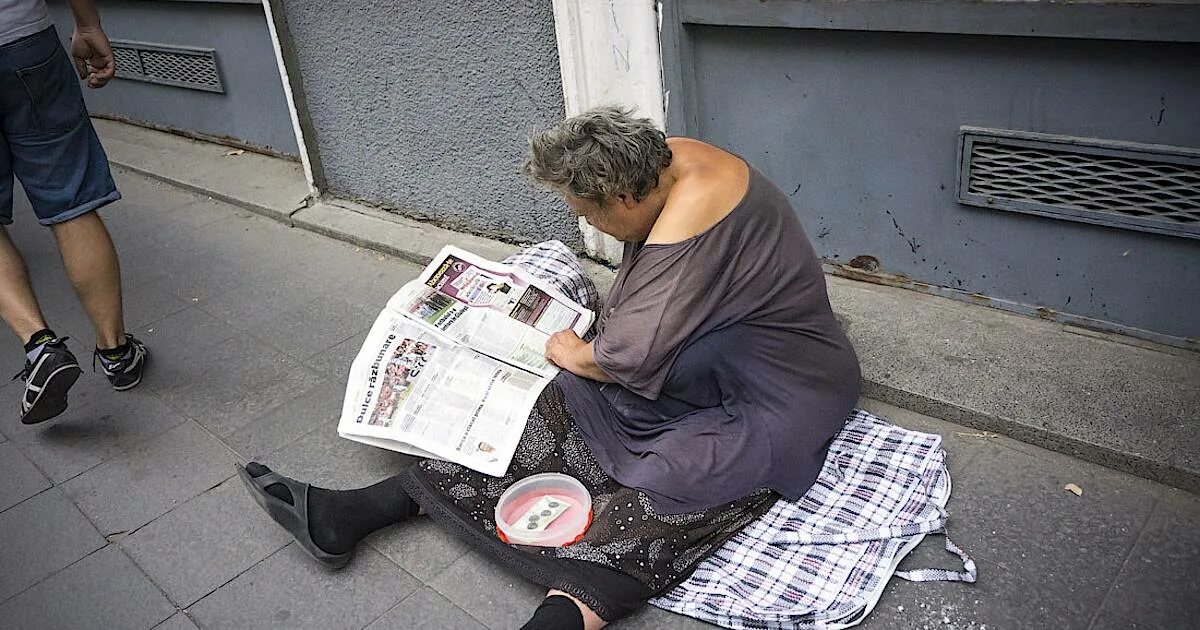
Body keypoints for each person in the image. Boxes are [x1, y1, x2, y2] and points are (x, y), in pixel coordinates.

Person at [238, 107, 860, 629]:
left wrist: (572, 350)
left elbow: (628, 356)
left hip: (778, 390)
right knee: (548, 404)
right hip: (701, 362)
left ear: (623, 194)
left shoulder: (691, 214)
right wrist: (578, 361)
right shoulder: (665, 157)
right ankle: (354, 513)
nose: (587, 225)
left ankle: (564, 616)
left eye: (590, 215)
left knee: (679, 482)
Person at [1, 0, 148, 424]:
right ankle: (116, 352)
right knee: (69, 200)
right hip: (23, 41)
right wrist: (87, 23)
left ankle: (40, 346)